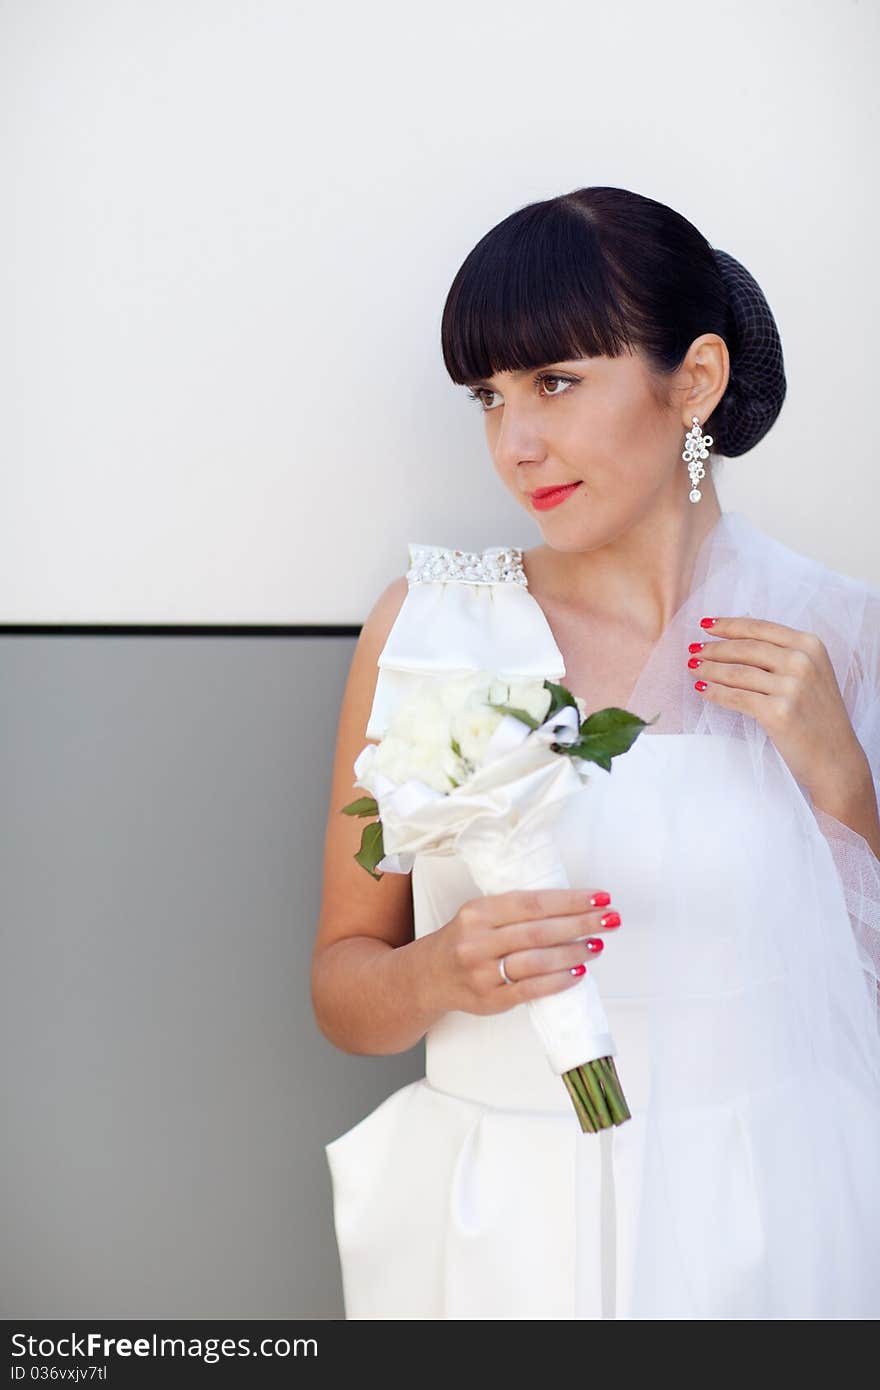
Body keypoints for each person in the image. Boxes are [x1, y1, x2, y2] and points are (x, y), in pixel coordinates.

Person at [312, 186, 880, 1319]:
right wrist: (442, 969)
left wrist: (842, 784)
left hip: (767, 1225)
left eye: (556, 382)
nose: (515, 443)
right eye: (490, 395)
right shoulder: (426, 628)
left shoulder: (835, 636)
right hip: (510, 1236)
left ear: (697, 382)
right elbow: (343, 984)